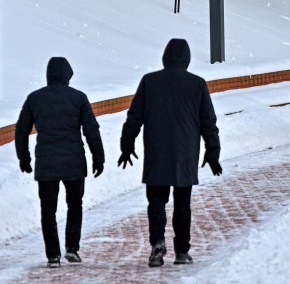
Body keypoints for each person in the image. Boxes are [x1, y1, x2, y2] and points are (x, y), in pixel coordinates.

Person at [119, 38, 221, 267]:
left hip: (157, 152)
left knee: (156, 200)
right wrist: (212, 152)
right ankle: (182, 252)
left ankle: (157, 242)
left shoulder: (149, 81)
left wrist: (127, 145)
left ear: (165, 57)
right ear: (187, 59)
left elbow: (134, 117)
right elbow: (209, 122)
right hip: (185, 154)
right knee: (182, 203)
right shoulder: (197, 84)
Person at [15, 57, 105, 268]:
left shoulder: (34, 98)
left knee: (48, 208)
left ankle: (53, 255)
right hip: (74, 162)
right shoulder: (78, 98)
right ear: (67, 75)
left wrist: (24, 158)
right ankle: (72, 248)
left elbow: (21, 131)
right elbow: (91, 130)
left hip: (46, 163)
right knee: (75, 205)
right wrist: (98, 157)